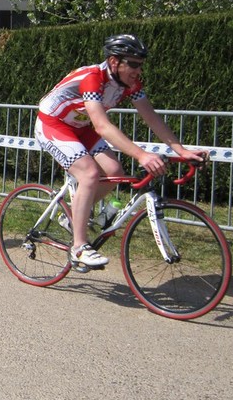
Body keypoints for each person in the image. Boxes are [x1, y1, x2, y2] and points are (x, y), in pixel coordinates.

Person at [35, 34, 208, 269]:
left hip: (80, 127)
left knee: (115, 171)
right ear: (114, 62)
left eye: (141, 65)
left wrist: (181, 150)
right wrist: (142, 155)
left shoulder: (130, 84)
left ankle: (73, 216)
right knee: (89, 174)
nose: (138, 70)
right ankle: (79, 247)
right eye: (133, 64)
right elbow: (102, 126)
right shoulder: (93, 78)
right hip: (53, 124)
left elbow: (151, 117)